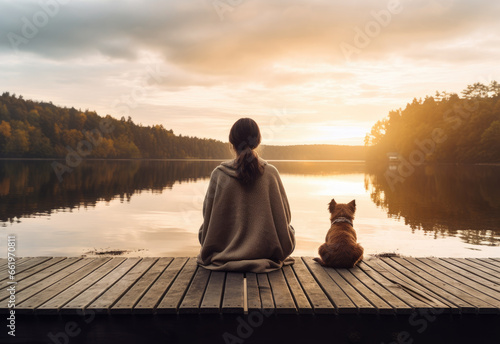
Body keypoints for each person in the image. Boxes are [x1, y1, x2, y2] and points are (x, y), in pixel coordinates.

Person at [197, 118, 295, 273]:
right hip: (266, 255)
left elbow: (207, 219)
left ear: (232, 142)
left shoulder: (219, 175)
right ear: (258, 141)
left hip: (222, 255)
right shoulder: (271, 174)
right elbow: (285, 219)